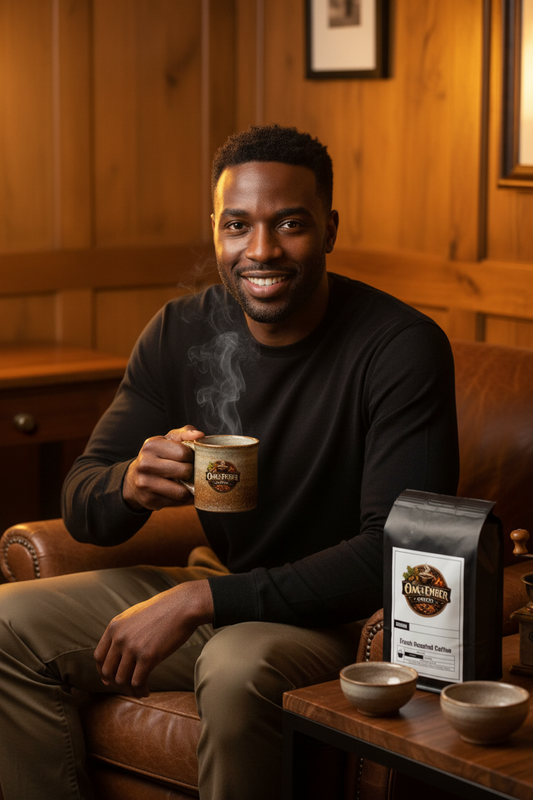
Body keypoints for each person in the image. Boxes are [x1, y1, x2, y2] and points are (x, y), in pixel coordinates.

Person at [0, 124, 459, 799]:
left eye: (290, 224)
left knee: (235, 664)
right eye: (238, 226)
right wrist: (127, 487)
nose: (261, 250)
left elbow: (394, 557)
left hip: (339, 620)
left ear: (329, 230)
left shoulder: (399, 348)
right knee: (7, 623)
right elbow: (82, 502)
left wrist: (199, 598)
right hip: (223, 590)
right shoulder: (180, 329)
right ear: (216, 230)